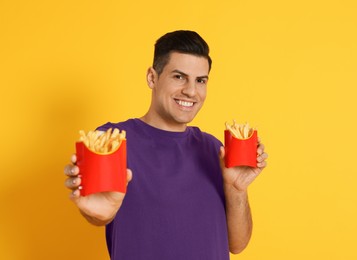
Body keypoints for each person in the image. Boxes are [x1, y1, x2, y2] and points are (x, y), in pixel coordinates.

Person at [64, 30, 268, 260]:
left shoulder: (214, 149)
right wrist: (98, 216)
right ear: (152, 77)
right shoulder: (112, 140)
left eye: (200, 80)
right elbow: (99, 210)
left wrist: (236, 189)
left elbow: (238, 244)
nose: (191, 91)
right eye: (179, 77)